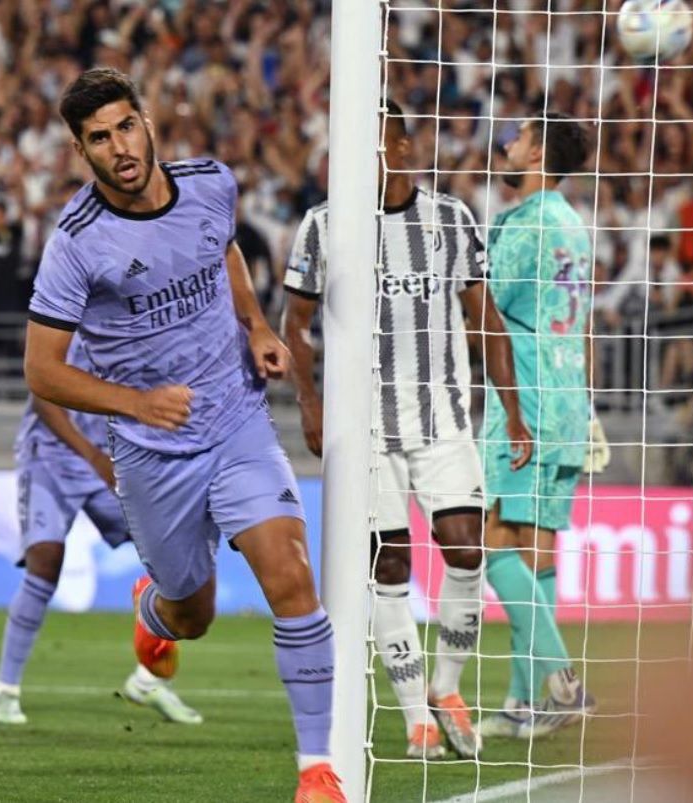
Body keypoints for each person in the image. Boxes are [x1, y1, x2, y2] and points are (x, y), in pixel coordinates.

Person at [23, 69, 344, 803]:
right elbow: (42, 371)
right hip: (149, 453)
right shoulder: (75, 244)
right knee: (190, 614)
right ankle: (154, 612)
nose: (118, 147)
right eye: (98, 138)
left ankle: (316, 771)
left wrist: (256, 325)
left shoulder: (210, 184)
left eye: (125, 126)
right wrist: (133, 403)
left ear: (148, 121)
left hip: (235, 419)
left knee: (291, 574)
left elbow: (219, 250)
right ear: (82, 150)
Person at [282, 100, 533, 760]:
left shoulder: (451, 219)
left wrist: (512, 409)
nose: (359, 153)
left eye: (373, 138)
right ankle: (413, 712)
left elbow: (484, 321)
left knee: (465, 548)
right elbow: (294, 323)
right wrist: (308, 401)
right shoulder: (324, 226)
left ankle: (447, 688)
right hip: (364, 430)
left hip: (443, 419)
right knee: (388, 562)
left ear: (401, 143)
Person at [0, 336, 202, 727]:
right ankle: (5, 689)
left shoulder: (141, 330)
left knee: (168, 557)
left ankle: (149, 680)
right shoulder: (70, 324)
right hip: (51, 459)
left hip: (111, 460)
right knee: (46, 562)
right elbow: (43, 393)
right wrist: (92, 455)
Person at [478, 113, 598, 738]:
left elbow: (483, 308)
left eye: (518, 138)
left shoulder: (527, 226)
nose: (505, 144)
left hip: (522, 400)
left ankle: (563, 684)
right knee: (536, 549)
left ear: (539, 152)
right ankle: (526, 704)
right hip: (567, 400)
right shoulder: (574, 226)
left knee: (489, 538)